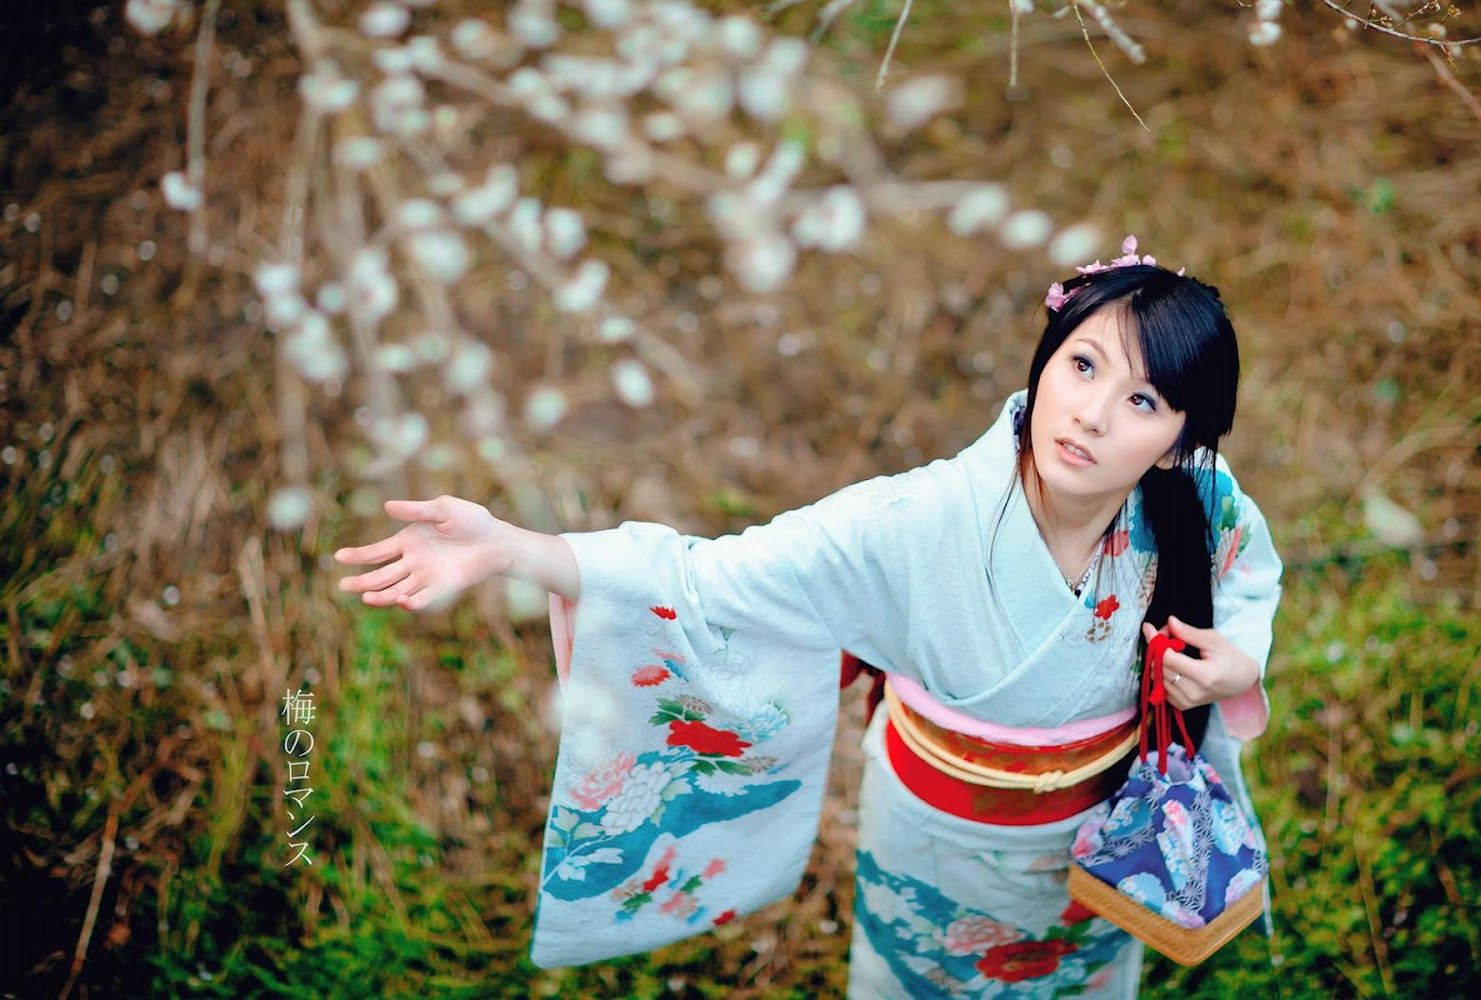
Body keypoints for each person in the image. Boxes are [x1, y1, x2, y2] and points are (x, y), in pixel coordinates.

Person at [333, 236, 1285, 997]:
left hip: (1101, 827)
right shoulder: (908, 521)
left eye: (1142, 399)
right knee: (918, 977)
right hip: (937, 834)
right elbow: (705, 583)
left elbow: (1247, 579)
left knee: (1081, 979)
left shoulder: (1196, 506)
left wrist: (1236, 663)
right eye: (1080, 366)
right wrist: (514, 547)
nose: (1091, 415)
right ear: (1044, 358)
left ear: (1178, 444)